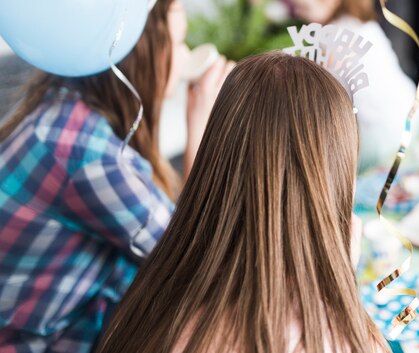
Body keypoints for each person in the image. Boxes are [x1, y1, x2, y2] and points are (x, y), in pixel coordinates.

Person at [94, 53, 390, 353]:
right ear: (336, 181)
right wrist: (340, 285)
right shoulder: (345, 338)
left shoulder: (152, 302)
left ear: (215, 157)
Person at [0, 0, 233, 352]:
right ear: (140, 51)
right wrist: (204, 132)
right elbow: (197, 265)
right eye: (176, 41)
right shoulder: (88, 157)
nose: (184, 53)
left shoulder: (66, 106)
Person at [286, 0, 417, 172]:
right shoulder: (359, 22)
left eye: (304, 6)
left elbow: (328, 104)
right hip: (407, 111)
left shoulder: (331, 39)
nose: (298, 14)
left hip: (380, 134)